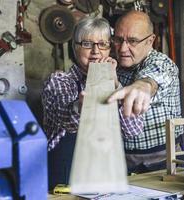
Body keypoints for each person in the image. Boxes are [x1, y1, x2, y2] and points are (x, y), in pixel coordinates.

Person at [41, 17, 143, 190]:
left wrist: (116, 85)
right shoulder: (59, 81)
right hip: (65, 173)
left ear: (109, 49)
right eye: (87, 44)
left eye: (103, 44)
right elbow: (66, 119)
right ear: (75, 47)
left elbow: (133, 130)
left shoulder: (114, 82)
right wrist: (80, 106)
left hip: (105, 172)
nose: (96, 51)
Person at [108, 10, 184, 173]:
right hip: (119, 162)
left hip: (162, 163)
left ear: (150, 41)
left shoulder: (163, 63)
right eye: (118, 39)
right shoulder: (113, 64)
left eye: (132, 41)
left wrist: (143, 86)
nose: (122, 48)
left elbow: (153, 77)